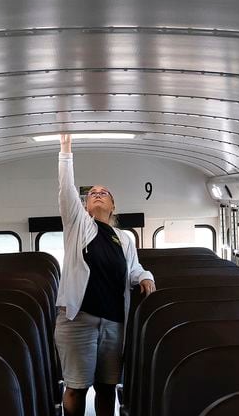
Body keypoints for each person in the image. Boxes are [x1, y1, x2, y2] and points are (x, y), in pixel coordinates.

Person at [55, 133, 156, 416]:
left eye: (104, 193)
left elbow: (133, 268)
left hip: (113, 322)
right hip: (78, 318)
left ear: (113, 206)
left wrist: (145, 276)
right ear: (84, 206)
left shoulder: (124, 238)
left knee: (107, 386)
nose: (97, 194)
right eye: (92, 194)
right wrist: (66, 150)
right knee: (76, 387)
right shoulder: (78, 226)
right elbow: (66, 190)